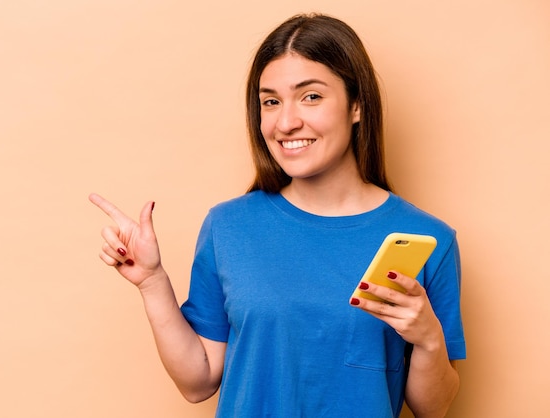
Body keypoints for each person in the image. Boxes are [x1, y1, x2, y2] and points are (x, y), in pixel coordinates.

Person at [89, 13, 465, 418]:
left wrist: (428, 340)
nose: (286, 122)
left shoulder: (429, 240)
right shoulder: (228, 227)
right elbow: (197, 383)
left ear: (357, 106)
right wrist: (151, 281)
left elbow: (434, 408)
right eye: (271, 101)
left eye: (311, 97)